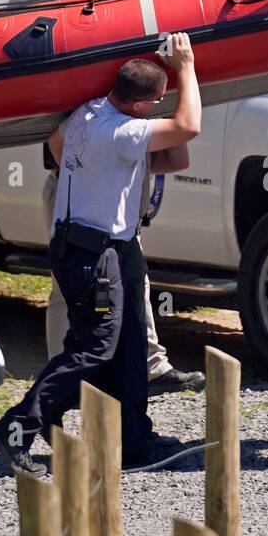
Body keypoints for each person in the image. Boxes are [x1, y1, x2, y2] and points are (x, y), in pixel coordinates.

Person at [0, 33, 202, 476]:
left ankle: (133, 440)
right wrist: (186, 68)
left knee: (127, 347)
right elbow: (188, 130)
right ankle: (17, 427)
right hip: (91, 251)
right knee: (93, 348)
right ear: (142, 105)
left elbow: (171, 157)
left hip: (105, 246)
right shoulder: (120, 131)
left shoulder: (87, 113)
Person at [43, 156, 205, 394]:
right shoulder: (82, 120)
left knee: (136, 282)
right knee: (71, 288)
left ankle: (151, 368)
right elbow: (59, 151)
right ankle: (65, 382)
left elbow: (176, 157)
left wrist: (137, 158)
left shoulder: (133, 124)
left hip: (121, 195)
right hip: (80, 195)